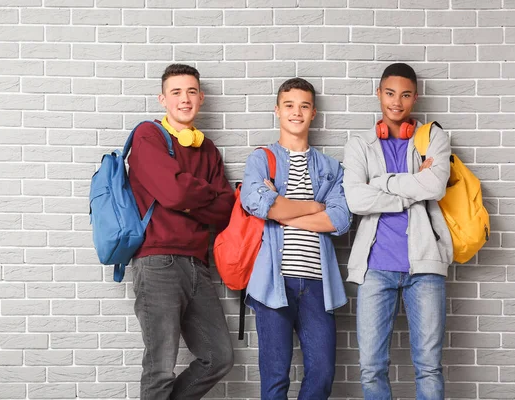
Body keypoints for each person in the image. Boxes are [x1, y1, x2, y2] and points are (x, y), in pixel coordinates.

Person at [342, 63, 453, 400]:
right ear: (379, 94)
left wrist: (383, 183)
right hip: (375, 268)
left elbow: (435, 185)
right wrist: (409, 193)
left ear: (415, 98)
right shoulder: (359, 143)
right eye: (390, 93)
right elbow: (356, 199)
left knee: (429, 366)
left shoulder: (432, 136)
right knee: (371, 366)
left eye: (405, 95)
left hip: (425, 267)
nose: (396, 102)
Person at [240, 77, 352, 399]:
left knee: (322, 372)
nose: (296, 112)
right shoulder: (261, 159)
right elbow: (261, 205)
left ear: (314, 113)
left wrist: (285, 208)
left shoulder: (331, 167)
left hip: (318, 284)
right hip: (273, 282)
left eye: (304, 106)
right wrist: (316, 207)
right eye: (289, 105)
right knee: (275, 378)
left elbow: (341, 218)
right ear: (277, 110)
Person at [128, 63, 235, 400]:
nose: (184, 99)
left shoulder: (209, 150)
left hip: (197, 266)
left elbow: (225, 208)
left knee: (218, 357)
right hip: (157, 261)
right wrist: (198, 196)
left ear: (201, 98)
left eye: (191, 92)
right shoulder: (149, 136)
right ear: (163, 99)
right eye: (176, 92)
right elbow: (175, 193)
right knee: (160, 366)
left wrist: (187, 197)